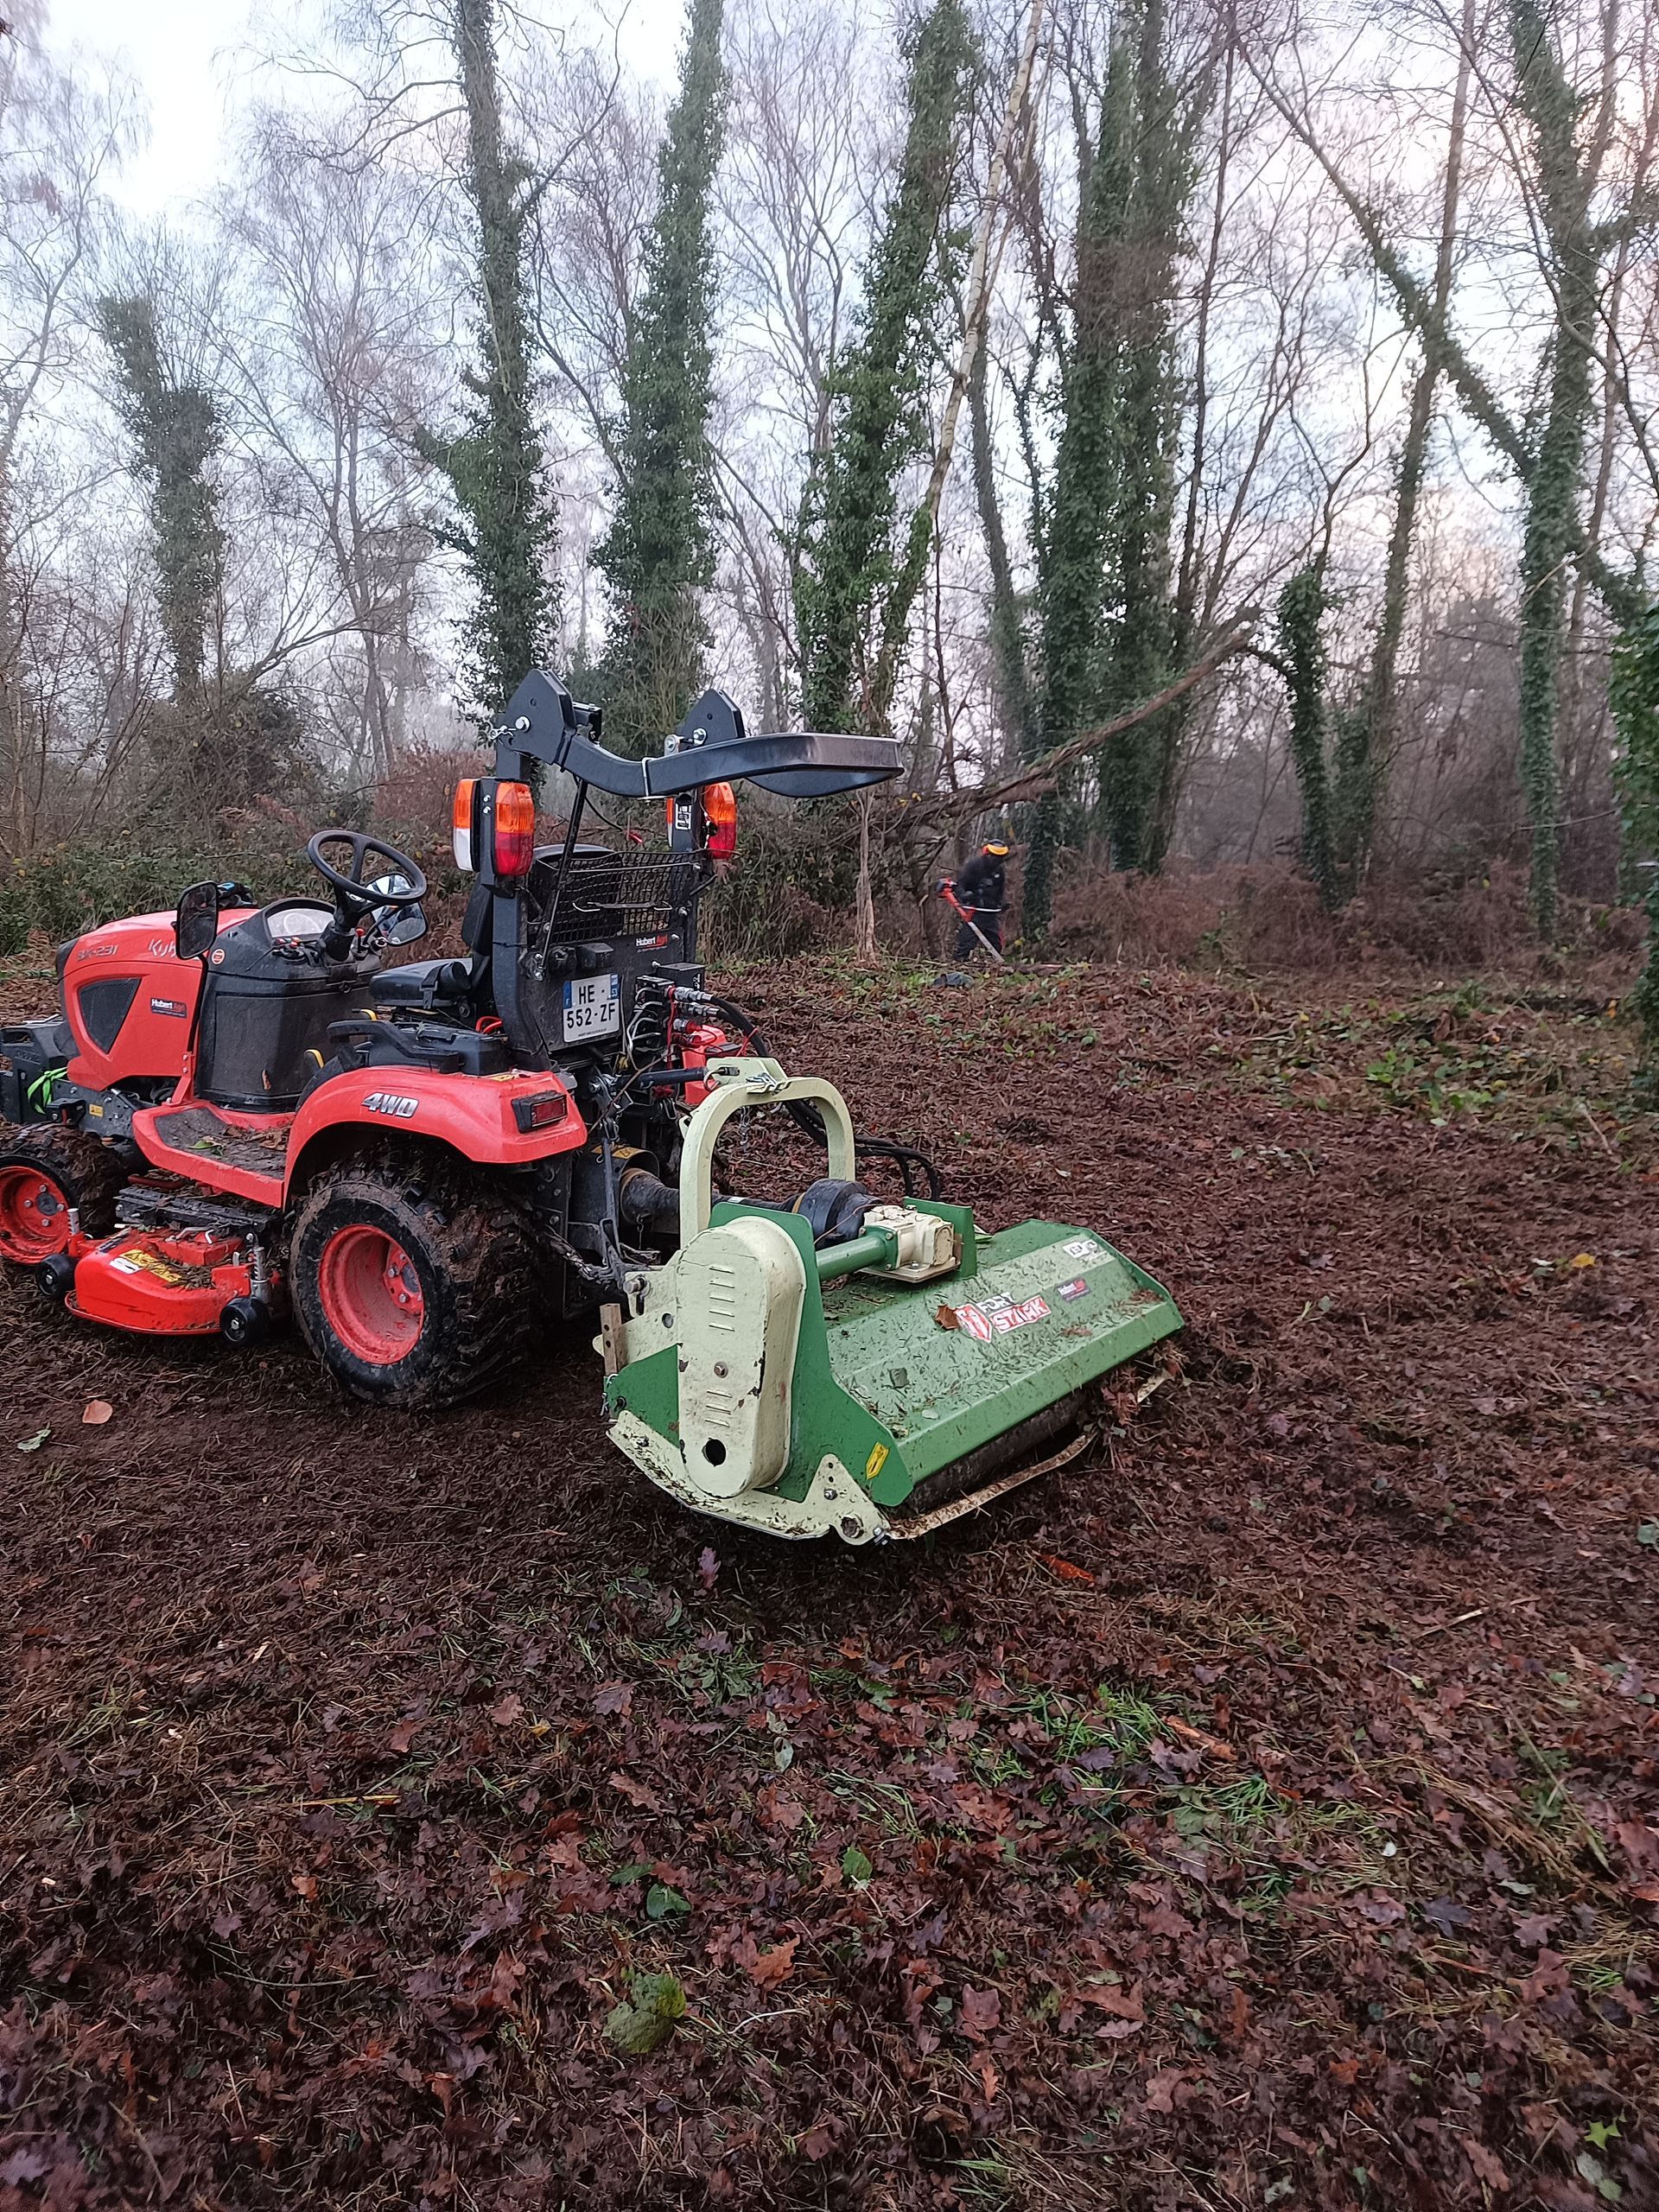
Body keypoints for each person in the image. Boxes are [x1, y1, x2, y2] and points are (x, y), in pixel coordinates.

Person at [951, 837, 1009, 957]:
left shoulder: (999, 871)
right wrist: (964, 896)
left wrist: (1002, 903)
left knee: (995, 945)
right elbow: (960, 885)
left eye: (999, 858)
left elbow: (1000, 890)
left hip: (990, 914)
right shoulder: (974, 866)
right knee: (966, 944)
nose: (995, 860)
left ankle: (994, 967)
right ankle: (960, 964)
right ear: (987, 854)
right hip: (974, 912)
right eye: (993, 856)